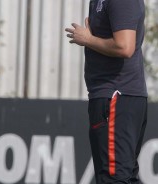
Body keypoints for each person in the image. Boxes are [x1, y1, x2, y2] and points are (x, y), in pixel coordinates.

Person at [65, 0, 147, 183]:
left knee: (114, 178)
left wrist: (88, 39)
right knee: (121, 176)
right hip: (114, 96)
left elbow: (125, 47)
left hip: (117, 96)